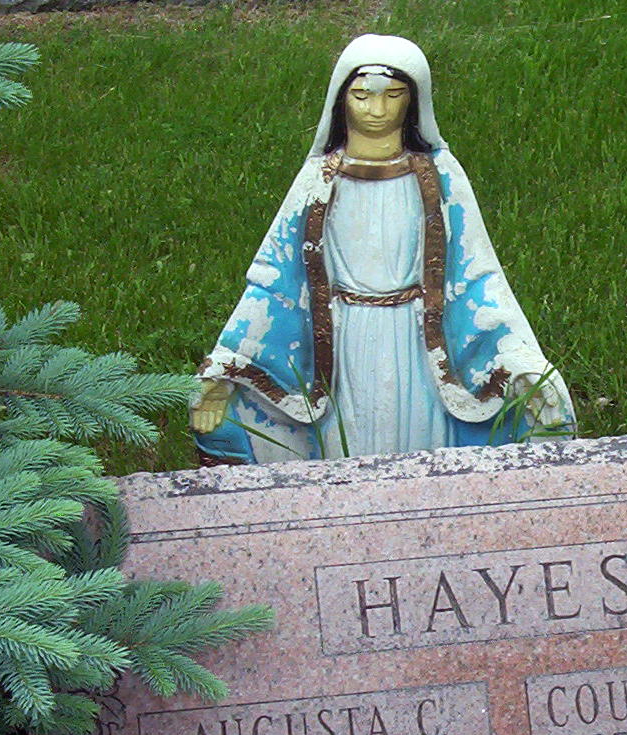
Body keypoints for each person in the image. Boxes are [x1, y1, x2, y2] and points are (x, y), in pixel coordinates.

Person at [190, 34, 575, 465]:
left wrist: (516, 358)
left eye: (393, 96)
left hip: (417, 345)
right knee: (344, 445)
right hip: (343, 344)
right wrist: (229, 363)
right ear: (341, 100)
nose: (376, 110)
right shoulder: (318, 181)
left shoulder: (441, 177)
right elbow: (274, 279)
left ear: (414, 101)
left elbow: (476, 274)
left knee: (421, 447)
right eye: (362, 96)